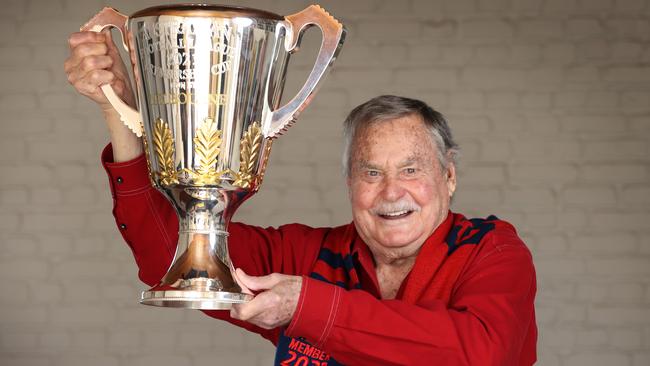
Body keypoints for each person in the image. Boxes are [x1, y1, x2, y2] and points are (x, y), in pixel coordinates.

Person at [65, 31, 537, 366]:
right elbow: (171, 254)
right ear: (349, 183)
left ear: (449, 177)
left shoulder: (490, 250)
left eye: (411, 170)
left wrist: (307, 307)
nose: (391, 192)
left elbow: (481, 352)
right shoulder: (307, 257)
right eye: (370, 172)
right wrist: (118, 110)